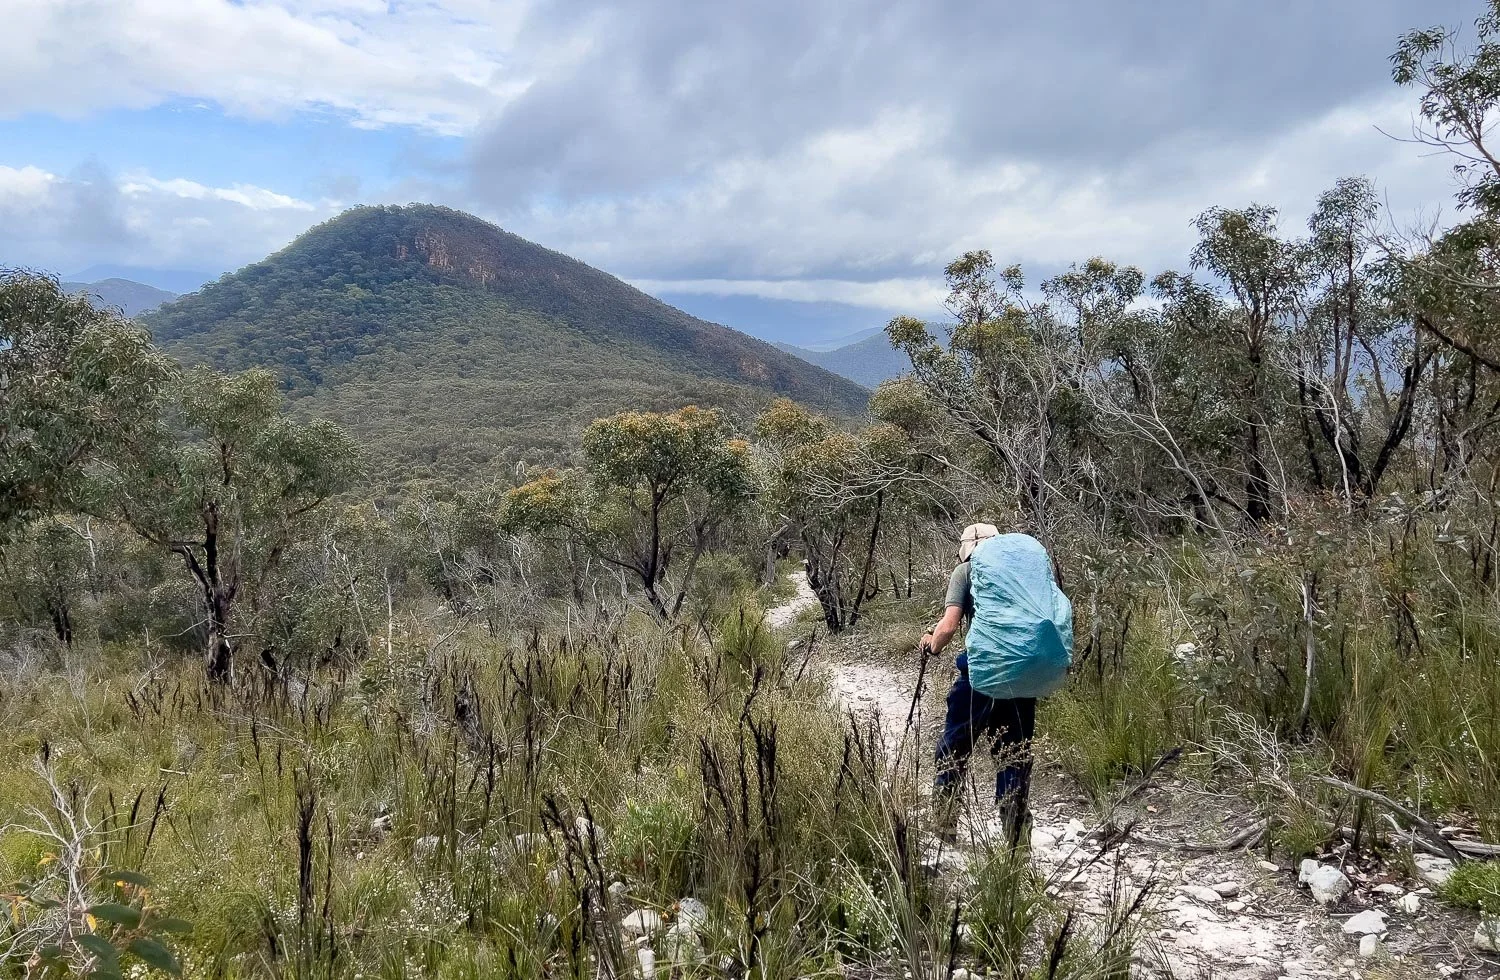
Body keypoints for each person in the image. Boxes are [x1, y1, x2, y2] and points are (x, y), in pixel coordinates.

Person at [919, 523, 1072, 846]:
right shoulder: (1024, 572)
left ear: (966, 547)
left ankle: (945, 826)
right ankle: (1016, 839)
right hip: (1022, 677)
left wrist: (932, 644)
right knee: (1013, 756)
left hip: (981, 677)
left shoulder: (966, 571)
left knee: (953, 748)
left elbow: (948, 626)